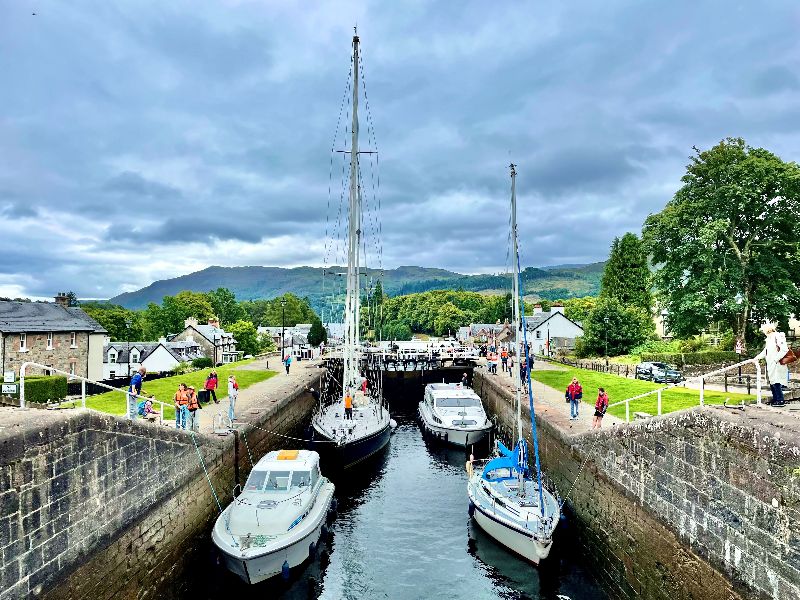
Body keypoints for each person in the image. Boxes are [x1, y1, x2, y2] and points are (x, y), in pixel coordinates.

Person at [755, 322, 789, 407]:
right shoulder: (769, 339)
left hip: (776, 363)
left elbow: (784, 349)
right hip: (771, 363)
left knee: (776, 381)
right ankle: (775, 399)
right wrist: (757, 357)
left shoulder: (778, 336)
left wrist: (775, 359)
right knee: (772, 381)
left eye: (763, 330)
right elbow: (765, 351)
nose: (763, 332)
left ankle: (780, 400)